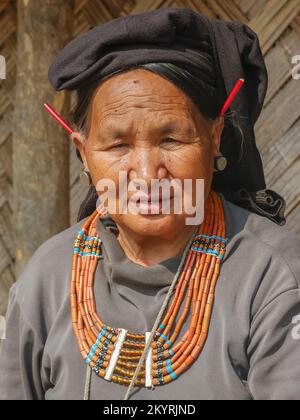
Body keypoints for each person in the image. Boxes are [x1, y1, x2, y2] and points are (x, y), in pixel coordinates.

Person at [0, 8, 299, 400]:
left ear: (214, 138)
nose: (146, 173)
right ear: (84, 153)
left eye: (171, 140)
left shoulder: (271, 277)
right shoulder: (47, 279)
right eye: (118, 144)